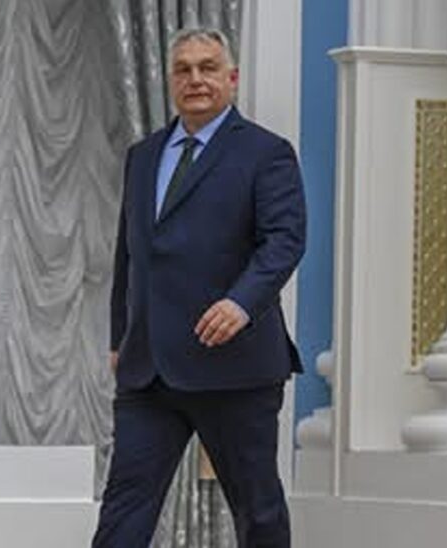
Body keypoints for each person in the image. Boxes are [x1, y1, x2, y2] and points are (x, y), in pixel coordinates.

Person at [92, 27, 306, 548]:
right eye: (183, 69)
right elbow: (130, 254)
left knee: (257, 510)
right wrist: (120, 336)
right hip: (149, 371)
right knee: (124, 507)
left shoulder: (266, 152)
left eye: (208, 68)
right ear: (170, 81)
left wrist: (241, 302)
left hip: (234, 366)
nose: (195, 79)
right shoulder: (143, 155)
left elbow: (284, 240)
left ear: (232, 78)